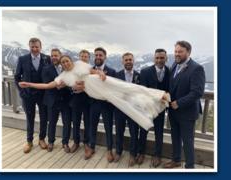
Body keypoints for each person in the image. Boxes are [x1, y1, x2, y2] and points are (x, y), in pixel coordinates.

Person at [19, 54, 170, 149]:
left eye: (66, 61)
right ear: (61, 65)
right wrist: (29, 84)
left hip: (102, 82)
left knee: (128, 88)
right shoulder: (63, 77)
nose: (65, 64)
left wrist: (100, 73)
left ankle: (159, 96)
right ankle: (148, 111)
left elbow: (94, 71)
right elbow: (47, 85)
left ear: (71, 60)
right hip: (95, 92)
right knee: (122, 102)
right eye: (62, 63)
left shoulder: (80, 64)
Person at [163, 41, 205, 169]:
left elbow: (197, 92)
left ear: (188, 52)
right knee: (175, 137)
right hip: (173, 111)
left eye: (180, 51)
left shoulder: (197, 68)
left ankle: (189, 167)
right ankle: (176, 160)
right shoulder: (175, 64)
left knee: (187, 142)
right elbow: (173, 85)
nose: (177, 54)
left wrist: (179, 103)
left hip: (187, 113)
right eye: (175, 51)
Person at [14, 37, 51, 153]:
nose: (34, 49)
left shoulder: (47, 58)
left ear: (40, 47)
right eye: (32, 47)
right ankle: (29, 141)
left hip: (43, 94)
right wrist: (21, 91)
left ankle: (42, 139)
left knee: (44, 118)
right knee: (30, 118)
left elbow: (50, 75)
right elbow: (17, 77)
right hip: (28, 95)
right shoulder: (22, 59)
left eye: (37, 47)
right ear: (29, 47)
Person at [138, 49, 170, 167]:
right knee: (143, 131)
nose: (159, 60)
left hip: (161, 109)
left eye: (162, 58)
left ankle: (157, 155)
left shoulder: (170, 72)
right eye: (157, 58)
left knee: (159, 132)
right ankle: (141, 153)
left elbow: (170, 89)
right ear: (154, 59)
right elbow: (142, 91)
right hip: (147, 108)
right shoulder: (145, 71)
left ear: (166, 59)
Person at [41, 48, 72, 153]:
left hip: (65, 100)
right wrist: (58, 86)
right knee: (52, 122)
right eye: (52, 55)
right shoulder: (46, 69)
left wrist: (65, 86)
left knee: (67, 122)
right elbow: (46, 83)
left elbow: (71, 83)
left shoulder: (66, 68)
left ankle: (65, 143)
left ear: (60, 56)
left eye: (56, 55)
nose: (54, 57)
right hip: (52, 100)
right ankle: (51, 142)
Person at [113, 52, 140, 167]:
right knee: (119, 131)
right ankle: (118, 151)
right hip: (120, 109)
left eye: (130, 59)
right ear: (122, 62)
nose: (128, 62)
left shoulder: (139, 75)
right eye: (126, 60)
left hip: (133, 109)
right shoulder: (117, 75)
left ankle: (133, 154)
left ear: (133, 61)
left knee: (134, 132)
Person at [68, 50, 91, 153]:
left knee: (87, 123)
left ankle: (86, 142)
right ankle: (76, 142)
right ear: (79, 57)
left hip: (87, 101)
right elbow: (67, 83)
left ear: (89, 58)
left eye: (86, 56)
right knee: (76, 122)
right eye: (82, 56)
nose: (83, 58)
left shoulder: (91, 69)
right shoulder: (72, 70)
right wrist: (73, 88)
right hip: (76, 100)